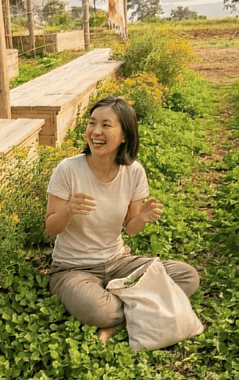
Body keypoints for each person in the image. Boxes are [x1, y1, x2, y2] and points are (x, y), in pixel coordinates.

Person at [45, 96, 200, 342]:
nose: (96, 131)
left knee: (187, 276)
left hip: (118, 263)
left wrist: (144, 218)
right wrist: (68, 211)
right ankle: (139, 306)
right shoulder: (68, 169)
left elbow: (131, 228)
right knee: (100, 311)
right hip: (73, 269)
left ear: (125, 135)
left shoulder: (134, 172)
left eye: (106, 125)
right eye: (92, 123)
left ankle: (119, 318)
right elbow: (51, 228)